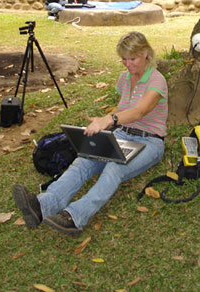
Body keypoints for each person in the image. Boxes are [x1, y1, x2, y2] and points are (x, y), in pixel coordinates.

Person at [13, 31, 168, 237]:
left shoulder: (157, 80)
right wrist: (103, 122)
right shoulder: (124, 78)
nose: (128, 64)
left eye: (132, 58)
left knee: (114, 168)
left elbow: (140, 111)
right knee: (84, 160)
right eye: (123, 59)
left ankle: (75, 217)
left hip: (149, 141)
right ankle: (43, 205)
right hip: (122, 134)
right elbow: (123, 109)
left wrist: (109, 120)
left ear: (146, 53)